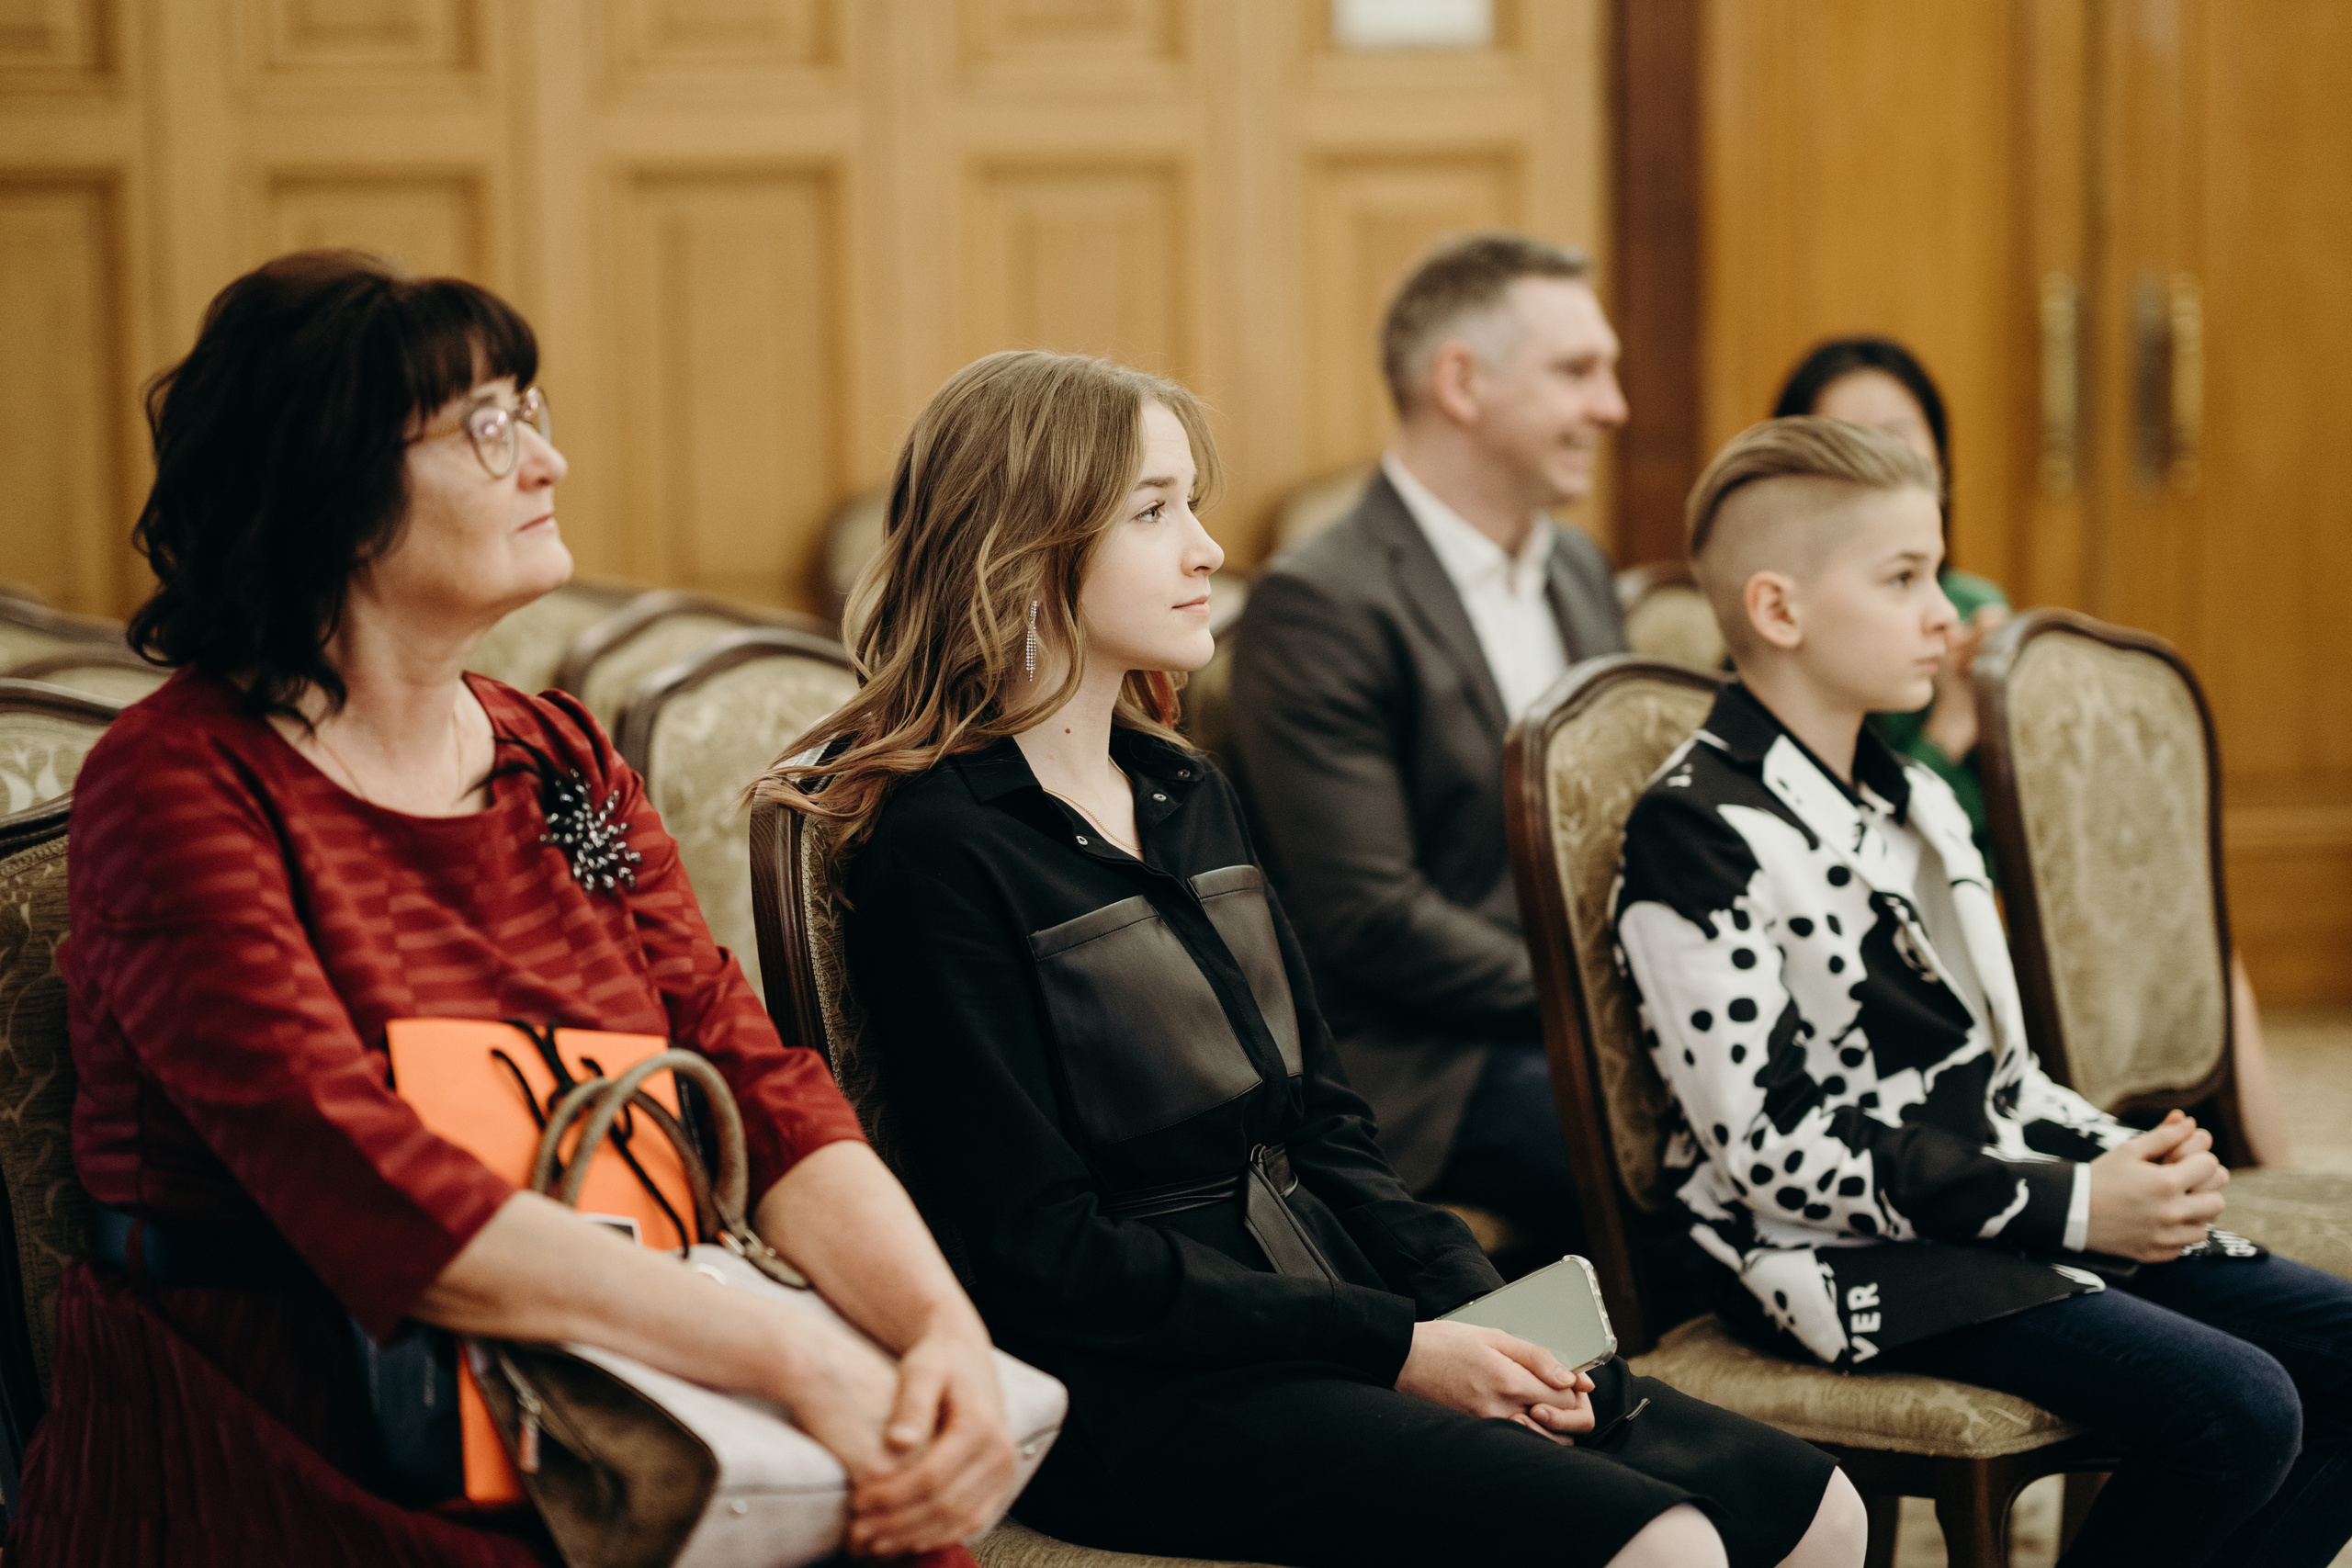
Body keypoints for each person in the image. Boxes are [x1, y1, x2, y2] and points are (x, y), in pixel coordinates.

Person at [763, 349, 1868, 1568]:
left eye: (1192, 502)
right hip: (1142, 1387)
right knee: (1664, 1542)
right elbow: (1048, 1253)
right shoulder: (945, 849)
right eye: (1153, 510)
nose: (1207, 548)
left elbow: (1332, 1124)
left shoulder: (1186, 789)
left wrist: (1486, 1314)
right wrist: (1396, 1344)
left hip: (1327, 1308)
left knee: (1820, 1508)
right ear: (1026, 547)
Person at [17, 251, 1015, 1567]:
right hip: (302, 1425)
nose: (544, 462)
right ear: (328, 486)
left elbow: (748, 1072)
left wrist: (938, 1326)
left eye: (531, 412)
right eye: (487, 427)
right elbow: (366, 1178)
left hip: (609, 1362)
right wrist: (789, 1352)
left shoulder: (559, 751)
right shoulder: (179, 783)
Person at [1613, 415, 2352, 1568]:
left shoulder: (1918, 798)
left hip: (1991, 1208)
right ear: (1778, 609)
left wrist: (2121, 1163)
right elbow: (1769, 1149)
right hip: (1829, 1256)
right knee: (2239, 1410)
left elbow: (1994, 1076)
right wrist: (2069, 1205)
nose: (1946, 614)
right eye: (1903, 577)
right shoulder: (1694, 830)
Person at [1772, 336, 2296, 1163]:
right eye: (1848, 443)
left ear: (1941, 460)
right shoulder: (1796, 636)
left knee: (2181, 917)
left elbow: (2046, 825)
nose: (1882, 463)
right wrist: (1948, 721)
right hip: (1904, 947)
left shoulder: (1974, 607)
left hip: (2006, 910)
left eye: (1900, 436)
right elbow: (1857, 871)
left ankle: (2272, 1175)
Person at [1227, 231, 1631, 1263]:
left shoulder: (1578, 568)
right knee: (1678, 1140)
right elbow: (1373, 918)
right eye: (1577, 372)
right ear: (1461, 382)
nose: (1611, 406)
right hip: (1430, 1064)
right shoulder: (1321, 601)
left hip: (1588, 1022)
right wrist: (1606, 997)